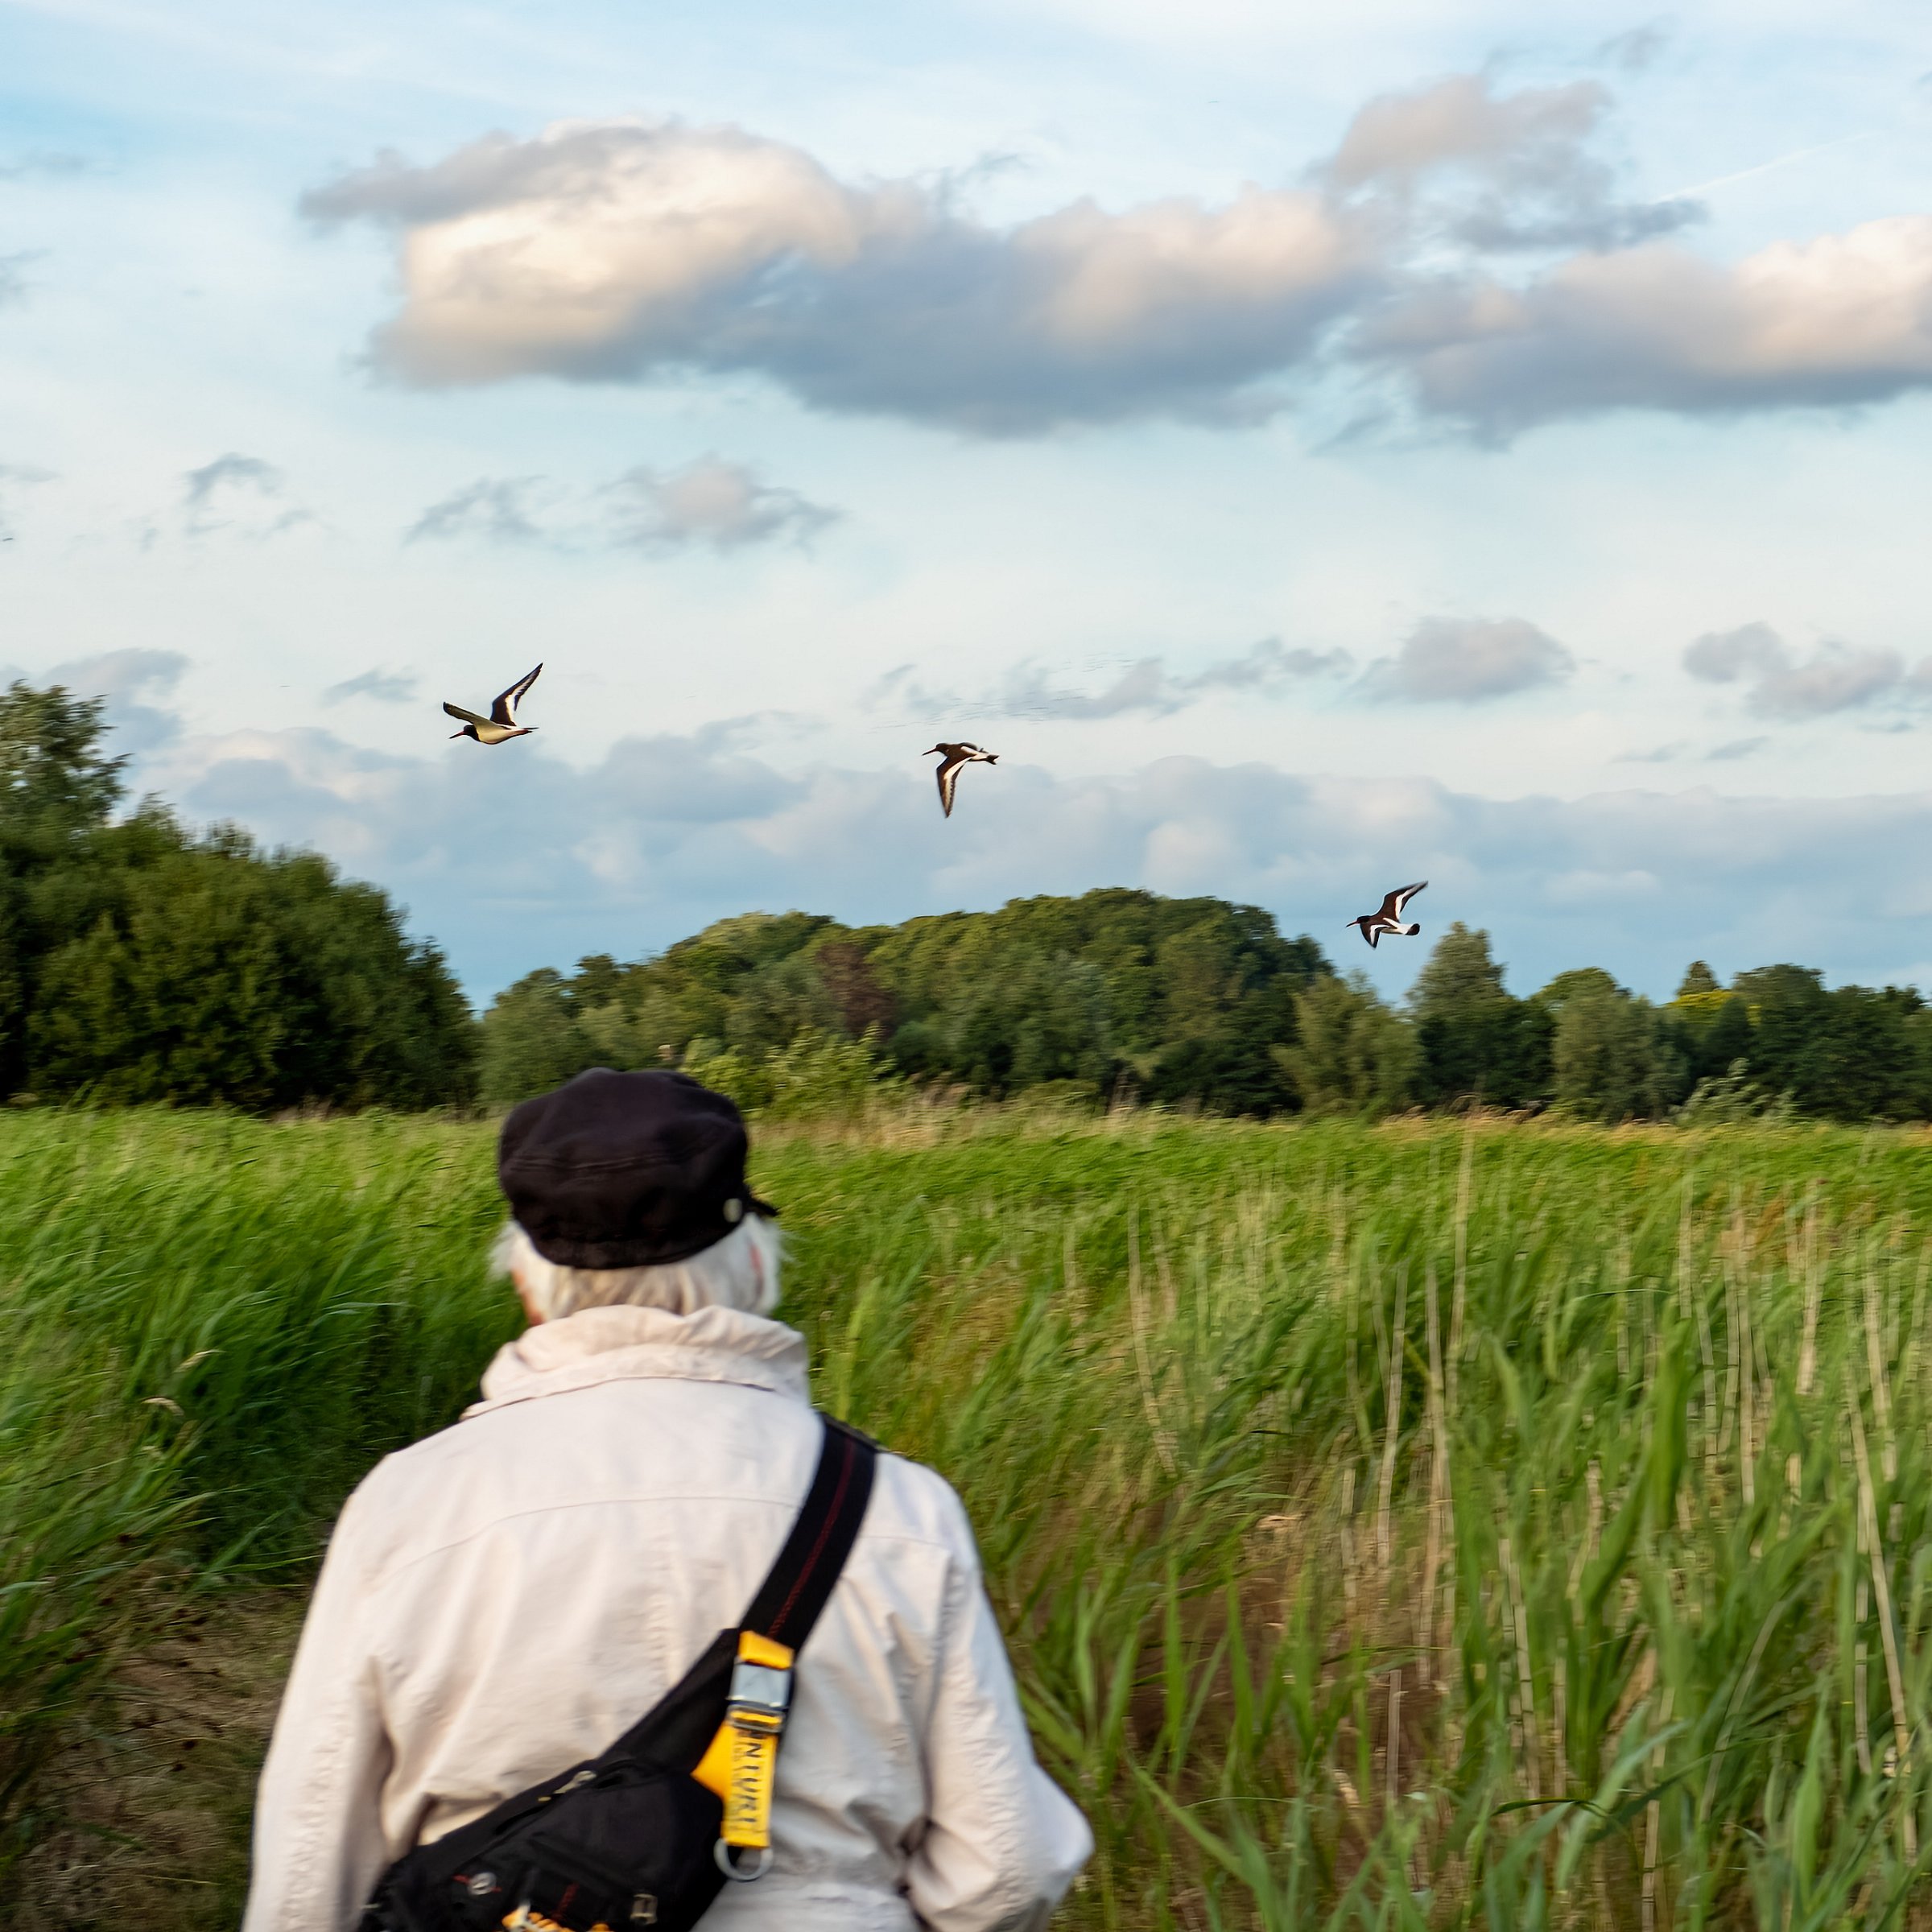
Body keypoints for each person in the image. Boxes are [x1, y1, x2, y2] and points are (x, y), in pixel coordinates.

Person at [242, 1068, 1091, 1932]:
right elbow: (1005, 1869)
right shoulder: (899, 1508)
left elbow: (310, 1864)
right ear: (754, 1263)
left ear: (527, 1285)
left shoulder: (410, 1503)